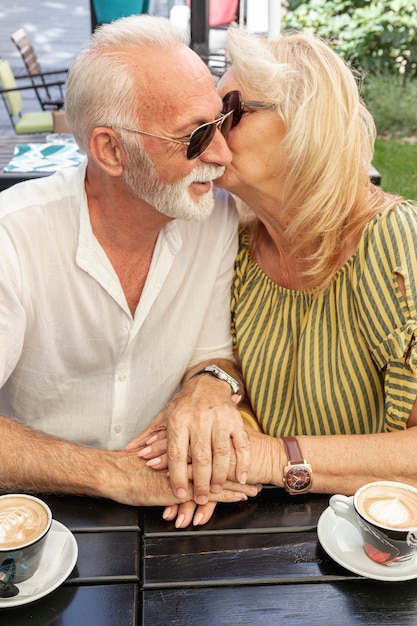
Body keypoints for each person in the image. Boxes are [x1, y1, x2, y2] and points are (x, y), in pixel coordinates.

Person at [142, 27, 417, 525]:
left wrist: (272, 457)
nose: (209, 136)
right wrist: (219, 433)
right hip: (249, 527)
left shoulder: (394, 244)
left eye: (231, 111)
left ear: (304, 121)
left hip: (366, 542)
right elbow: (242, 373)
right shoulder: (238, 237)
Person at [0, 15, 261, 510]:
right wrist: (114, 474)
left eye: (222, 118)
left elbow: (213, 351)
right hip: (37, 513)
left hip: (177, 498)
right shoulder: (13, 236)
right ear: (111, 150)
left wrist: (207, 386)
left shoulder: (213, 216)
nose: (223, 153)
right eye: (197, 134)